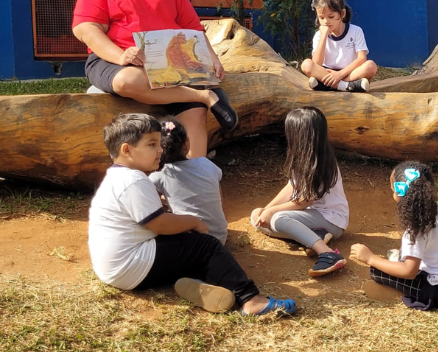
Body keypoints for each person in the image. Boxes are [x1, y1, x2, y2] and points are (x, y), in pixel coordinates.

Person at [87, 113, 296, 316]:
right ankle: (251, 300)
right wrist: (193, 222)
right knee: (206, 245)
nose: (160, 150)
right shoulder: (133, 181)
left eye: (159, 143)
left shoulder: (118, 176)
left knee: (186, 245)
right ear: (127, 150)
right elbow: (159, 224)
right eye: (151, 144)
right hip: (130, 265)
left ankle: (199, 282)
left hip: (116, 268)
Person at [72, 0, 238, 163]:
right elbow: (86, 29)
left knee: (195, 119)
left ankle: (197, 179)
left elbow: (193, 28)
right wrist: (121, 55)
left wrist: (212, 60)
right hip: (114, 61)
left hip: (170, 65)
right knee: (129, 80)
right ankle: (204, 96)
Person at [350, 161, 438, 311]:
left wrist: (370, 258)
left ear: (398, 192)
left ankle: (400, 294)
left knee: (377, 270)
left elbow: (409, 272)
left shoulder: (415, 227)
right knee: (402, 259)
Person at [250, 107, 349, 278]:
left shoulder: (320, 162)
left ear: (300, 136)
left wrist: (273, 212)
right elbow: (291, 187)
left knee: (279, 218)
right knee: (256, 217)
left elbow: (305, 200)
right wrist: (266, 209)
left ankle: (327, 253)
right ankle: (315, 235)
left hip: (331, 219)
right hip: (313, 215)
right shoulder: (304, 156)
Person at [150, 116, 228, 244]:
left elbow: (151, 208)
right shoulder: (206, 163)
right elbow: (218, 196)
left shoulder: (160, 174)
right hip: (219, 238)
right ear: (187, 144)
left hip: (190, 244)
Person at [300, 0, 377, 92]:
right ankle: (346, 86)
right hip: (326, 72)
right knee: (306, 64)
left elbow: (362, 59)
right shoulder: (319, 35)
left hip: (349, 72)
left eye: (331, 16)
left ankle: (326, 84)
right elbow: (316, 63)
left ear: (342, 14)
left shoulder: (356, 31)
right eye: (321, 18)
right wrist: (323, 37)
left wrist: (339, 75)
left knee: (371, 66)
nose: (326, 21)